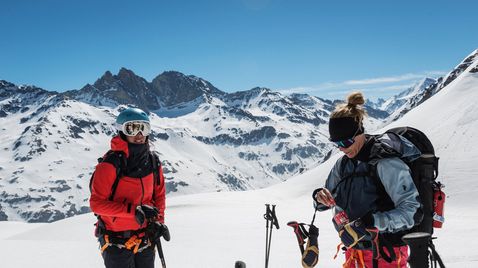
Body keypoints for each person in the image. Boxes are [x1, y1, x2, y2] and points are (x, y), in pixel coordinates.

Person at [313, 92, 422, 268]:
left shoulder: (386, 163)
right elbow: (323, 204)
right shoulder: (343, 165)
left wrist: (371, 222)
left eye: (346, 142)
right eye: (338, 144)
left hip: (386, 254)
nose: (342, 149)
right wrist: (319, 197)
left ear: (360, 132)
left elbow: (413, 212)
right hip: (354, 253)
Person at [90, 107, 167, 268]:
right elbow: (96, 204)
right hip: (116, 242)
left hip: (145, 239)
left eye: (143, 128)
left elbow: (158, 196)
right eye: (132, 128)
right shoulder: (110, 164)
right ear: (122, 131)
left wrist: (158, 221)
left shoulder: (153, 162)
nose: (139, 135)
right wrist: (133, 211)